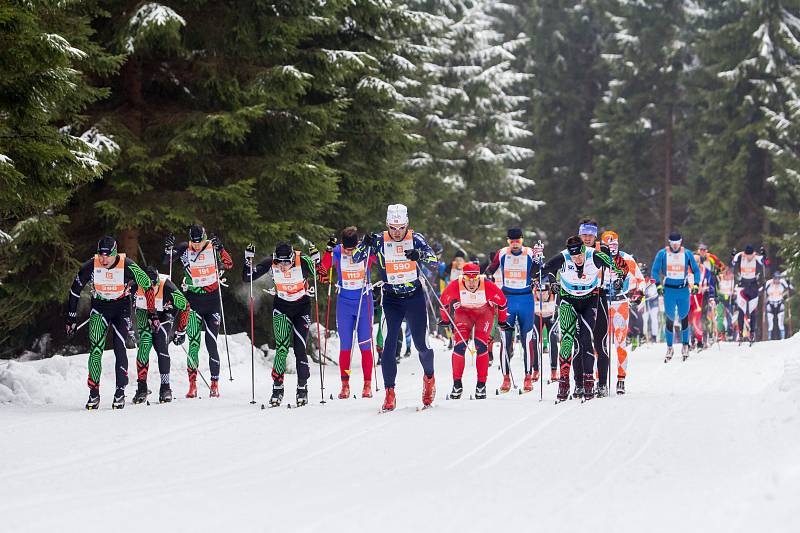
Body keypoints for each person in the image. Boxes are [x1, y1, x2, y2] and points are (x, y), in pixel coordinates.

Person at [354, 204, 439, 411]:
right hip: (391, 299)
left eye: (401, 228)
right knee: (389, 346)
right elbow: (356, 258)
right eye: (393, 228)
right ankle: (389, 392)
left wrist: (419, 255)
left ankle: (429, 378)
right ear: (387, 225)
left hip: (414, 297)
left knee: (421, 345)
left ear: (407, 225)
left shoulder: (415, 238)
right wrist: (363, 244)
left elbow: (434, 262)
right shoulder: (379, 241)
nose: (397, 232)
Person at [66, 236, 157, 410]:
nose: (103, 259)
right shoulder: (91, 265)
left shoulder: (128, 265)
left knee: (119, 347)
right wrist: (71, 318)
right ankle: (93, 393)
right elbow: (75, 291)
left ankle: (120, 391)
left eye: (107, 255)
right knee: (96, 349)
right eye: (101, 255)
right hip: (99, 308)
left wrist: (152, 313)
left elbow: (147, 286)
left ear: (115, 254)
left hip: (121, 309)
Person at [540, 236, 622, 402]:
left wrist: (619, 278)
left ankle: (589, 380)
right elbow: (546, 268)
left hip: (590, 299)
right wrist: (552, 281)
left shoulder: (594, 255)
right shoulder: (564, 256)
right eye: (573, 256)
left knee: (586, 338)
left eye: (579, 256)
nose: (577, 259)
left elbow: (617, 266)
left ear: (584, 250)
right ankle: (564, 382)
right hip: (567, 299)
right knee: (568, 340)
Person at [244, 241, 318, 407]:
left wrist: (317, 260)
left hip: (302, 307)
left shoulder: (303, 260)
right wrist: (247, 260)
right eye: (280, 262)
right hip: (282, 307)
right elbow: (246, 277)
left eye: (287, 262)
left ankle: (302, 388)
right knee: (282, 348)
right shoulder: (270, 262)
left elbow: (322, 276)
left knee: (300, 348)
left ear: (293, 258)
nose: (283, 266)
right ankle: (277, 388)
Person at [164, 224, 233, 397]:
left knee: (211, 343)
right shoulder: (184, 248)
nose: (195, 246)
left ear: (204, 238)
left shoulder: (212, 247)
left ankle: (214, 384)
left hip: (212, 302)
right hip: (193, 301)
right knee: (193, 343)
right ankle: (192, 386)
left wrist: (222, 248)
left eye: (199, 242)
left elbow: (229, 264)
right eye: (193, 242)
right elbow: (167, 261)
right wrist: (168, 249)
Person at [484, 227, 543, 392]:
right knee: (505, 339)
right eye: (512, 241)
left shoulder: (531, 253)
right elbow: (490, 269)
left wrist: (539, 261)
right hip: (507, 299)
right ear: (508, 241)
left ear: (522, 240)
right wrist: (487, 279)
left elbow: (540, 272)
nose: (515, 244)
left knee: (527, 339)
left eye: (518, 241)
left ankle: (527, 377)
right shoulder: (502, 253)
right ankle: (506, 378)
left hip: (526, 299)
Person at [438, 263, 509, 399]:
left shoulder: (487, 285)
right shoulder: (455, 285)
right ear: (463, 278)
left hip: (484, 314)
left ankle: (481, 385)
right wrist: (445, 319)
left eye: (474, 279)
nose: (471, 283)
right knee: (459, 346)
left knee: (481, 345)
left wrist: (501, 320)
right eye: (468, 279)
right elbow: (443, 302)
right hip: (464, 313)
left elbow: (502, 302)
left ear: (479, 277)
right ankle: (457, 384)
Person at [320, 227, 375, 399]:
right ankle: (345, 385)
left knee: (365, 345)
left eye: (353, 249)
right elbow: (324, 267)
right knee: (345, 345)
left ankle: (367, 385)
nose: (350, 252)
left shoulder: (364, 250)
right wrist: (328, 251)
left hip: (363, 301)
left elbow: (381, 260)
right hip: (344, 303)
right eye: (347, 249)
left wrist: (373, 244)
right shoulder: (337, 251)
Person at [132, 266, 192, 404]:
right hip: (144, 312)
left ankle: (165, 388)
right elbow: (123, 301)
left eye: (153, 286)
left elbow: (185, 306)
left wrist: (181, 330)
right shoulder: (135, 286)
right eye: (147, 287)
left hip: (164, 314)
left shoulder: (168, 287)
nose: (150, 290)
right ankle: (142, 388)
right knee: (145, 344)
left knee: (160, 344)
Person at [599, 231, 645, 395]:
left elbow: (640, 280)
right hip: (601, 304)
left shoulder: (626, 258)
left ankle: (621, 379)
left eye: (614, 244)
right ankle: (600, 380)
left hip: (620, 304)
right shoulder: (596, 258)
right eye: (607, 244)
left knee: (620, 343)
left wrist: (639, 293)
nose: (611, 247)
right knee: (600, 343)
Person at [651, 231, 701, 361]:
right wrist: (658, 285)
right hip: (669, 291)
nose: (675, 246)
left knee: (684, 317)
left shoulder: (687, 253)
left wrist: (696, 284)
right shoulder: (662, 254)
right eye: (673, 243)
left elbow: (696, 270)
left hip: (683, 289)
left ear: (681, 242)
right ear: (669, 243)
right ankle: (669, 347)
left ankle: (685, 345)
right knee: (670, 318)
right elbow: (654, 271)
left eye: (677, 243)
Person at [732, 245, 766, 343]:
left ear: (753, 253)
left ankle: (752, 333)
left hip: (753, 286)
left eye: (750, 255)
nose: (749, 257)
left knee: (752, 311)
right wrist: (733, 254)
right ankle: (741, 333)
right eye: (747, 255)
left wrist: (764, 254)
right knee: (741, 311)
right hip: (742, 286)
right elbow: (733, 262)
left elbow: (766, 262)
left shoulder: (757, 257)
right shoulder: (740, 256)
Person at [533, 275, 560, 383]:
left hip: (551, 318)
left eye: (544, 292)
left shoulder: (554, 294)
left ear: (548, 292)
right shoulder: (533, 294)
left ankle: (554, 371)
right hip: (537, 316)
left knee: (552, 340)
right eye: (539, 292)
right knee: (534, 341)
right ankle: (535, 370)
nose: (541, 295)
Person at [689, 252, 716, 349]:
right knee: (692, 319)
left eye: (697, 261)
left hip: (703, 296)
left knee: (702, 318)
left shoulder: (706, 271)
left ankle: (703, 340)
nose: (695, 263)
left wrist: (712, 297)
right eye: (693, 261)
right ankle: (692, 340)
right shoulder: (688, 271)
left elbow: (711, 285)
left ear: (700, 262)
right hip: (691, 297)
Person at [765, 271, 790, 340]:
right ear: (773, 278)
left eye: (778, 278)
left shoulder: (782, 282)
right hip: (770, 304)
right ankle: (769, 338)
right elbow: (763, 290)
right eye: (776, 278)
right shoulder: (769, 283)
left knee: (780, 323)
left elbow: (788, 288)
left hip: (779, 303)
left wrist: (788, 284)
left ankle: (782, 338)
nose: (777, 280)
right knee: (770, 324)